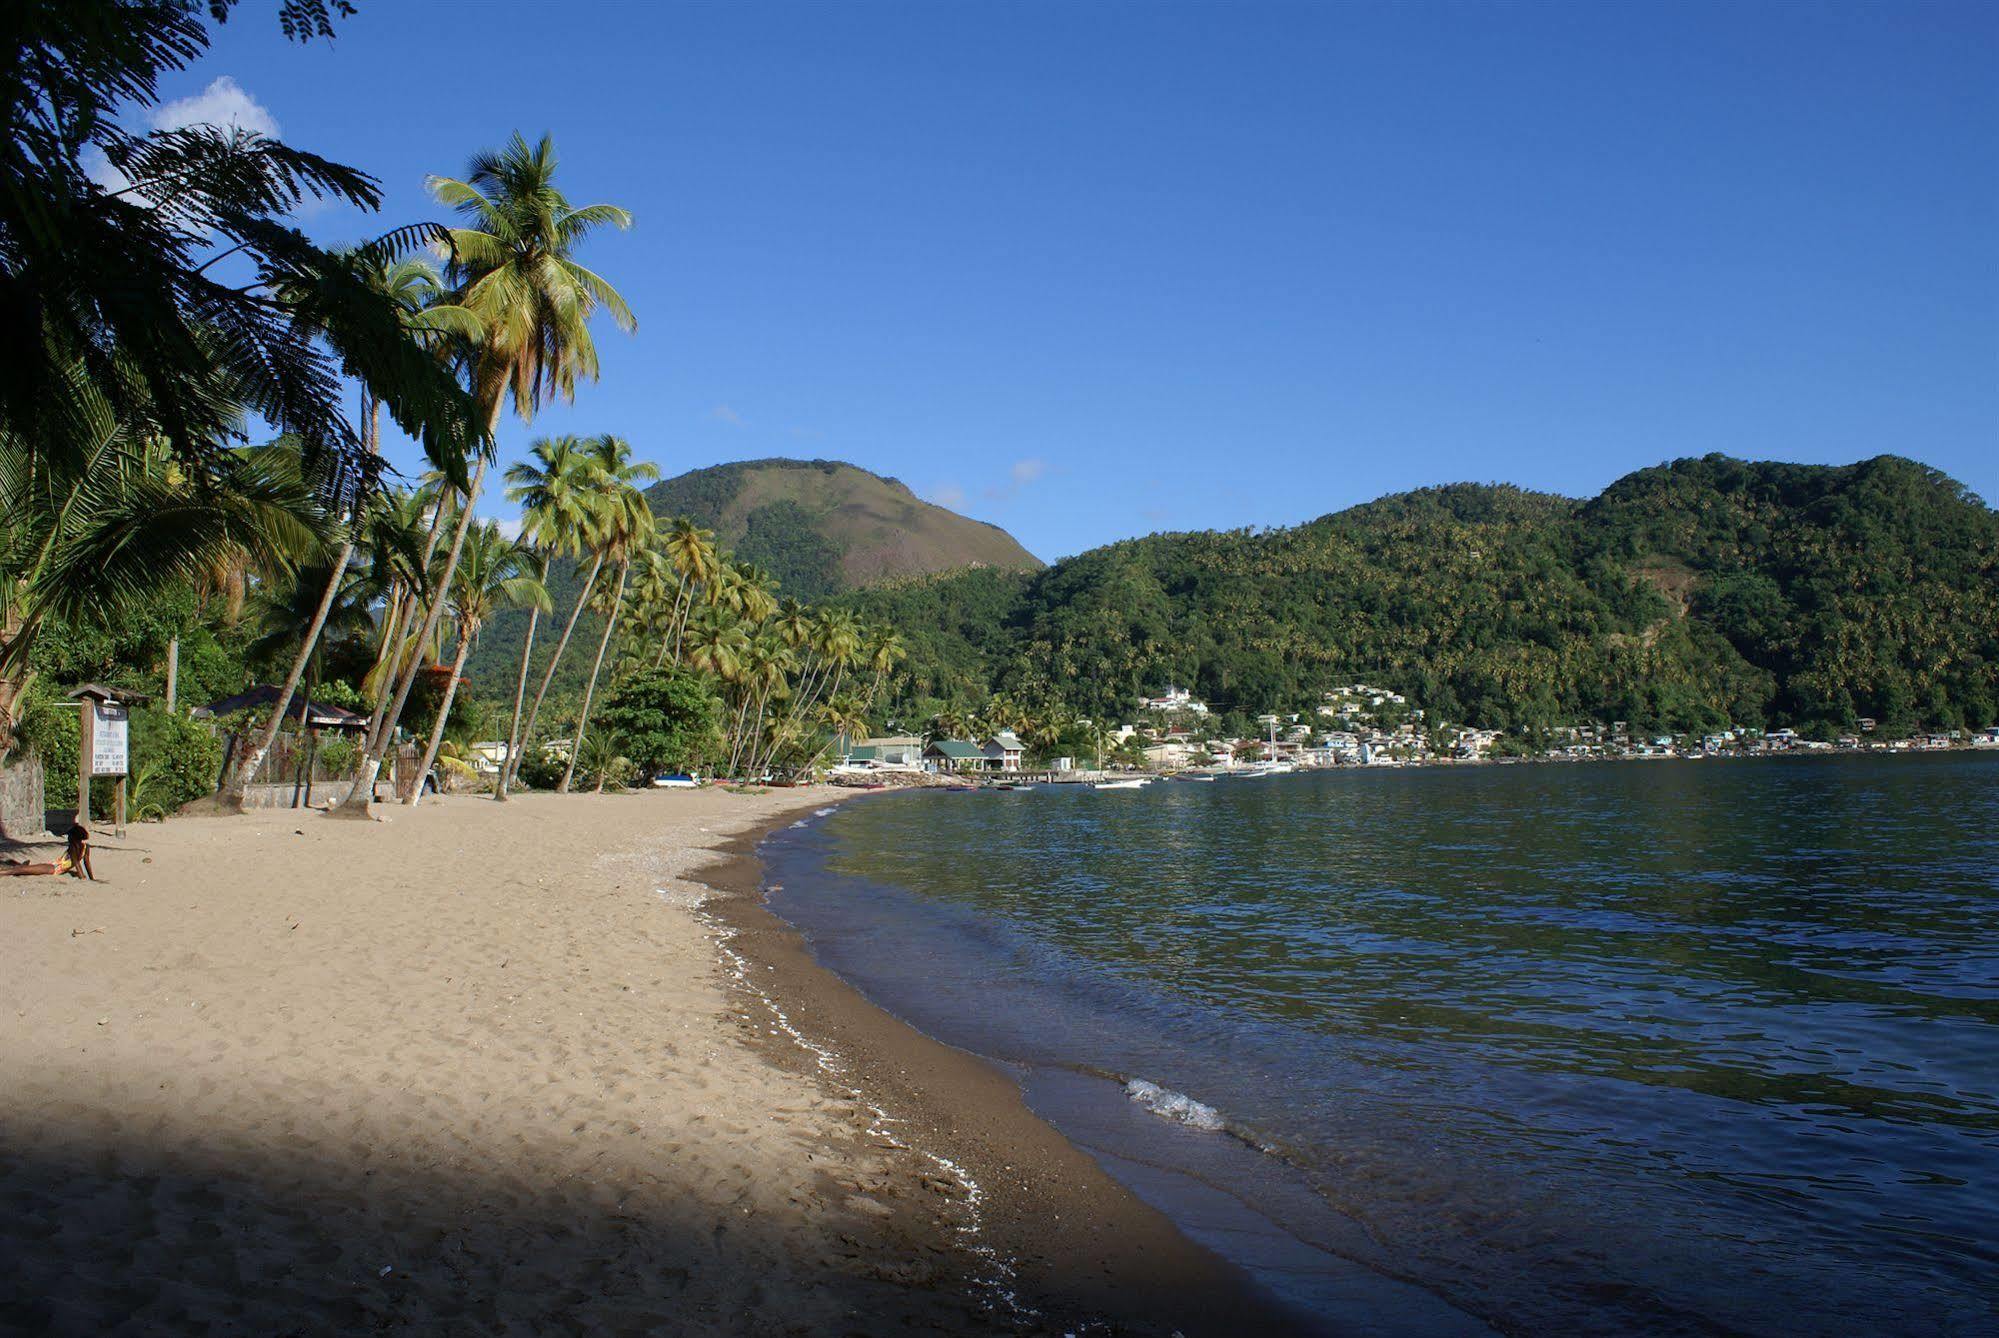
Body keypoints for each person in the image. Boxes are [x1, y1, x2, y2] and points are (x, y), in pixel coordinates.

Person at [0, 824, 93, 879]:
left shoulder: (73, 847)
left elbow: (78, 864)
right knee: (22, 869)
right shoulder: (85, 847)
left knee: (19, 870)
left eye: (69, 836)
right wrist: (90, 878)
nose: (68, 837)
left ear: (74, 837)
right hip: (54, 867)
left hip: (54, 868)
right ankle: (16, 864)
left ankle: (5, 872)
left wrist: (83, 877)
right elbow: (86, 864)